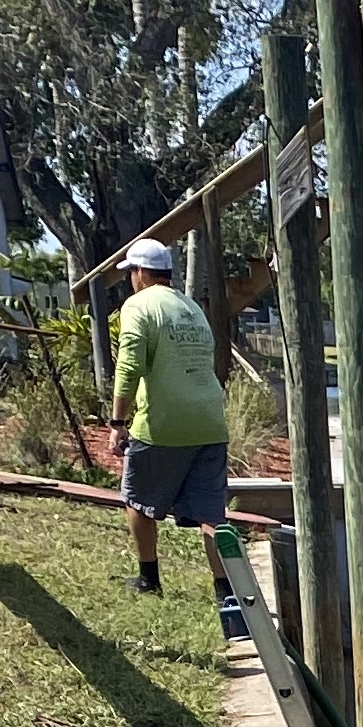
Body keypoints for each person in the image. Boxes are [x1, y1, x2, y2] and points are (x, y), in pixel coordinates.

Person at [108, 238, 236, 632]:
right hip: (210, 421)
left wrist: (117, 423)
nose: (130, 280)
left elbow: (129, 365)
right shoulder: (191, 307)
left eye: (131, 272)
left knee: (136, 498)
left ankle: (149, 578)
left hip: (163, 422)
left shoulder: (138, 305)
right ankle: (225, 595)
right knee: (211, 514)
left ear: (142, 274)